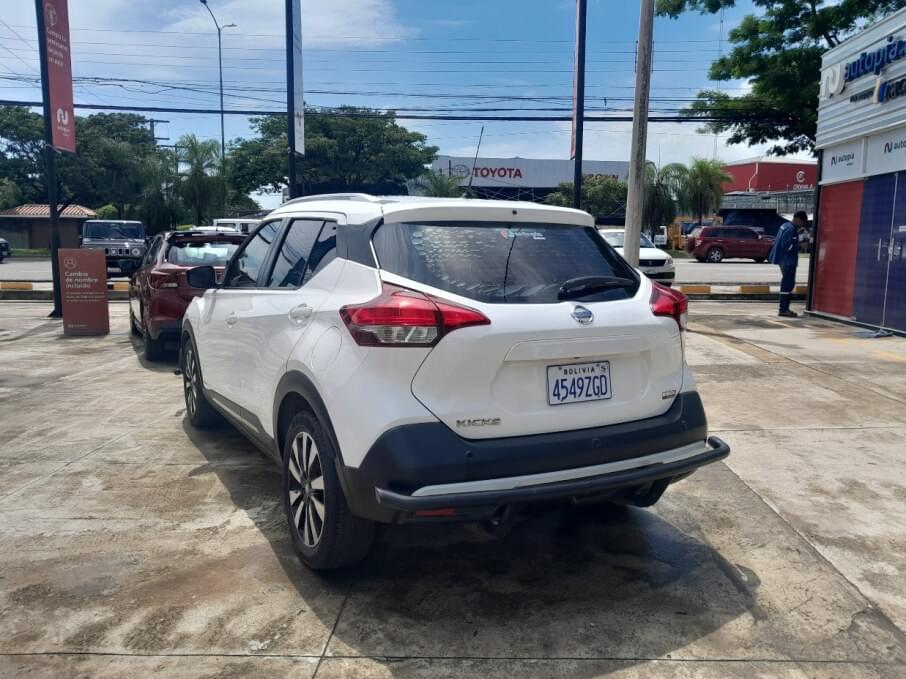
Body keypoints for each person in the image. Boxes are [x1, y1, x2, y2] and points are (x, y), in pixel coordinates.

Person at [769, 211, 806, 317]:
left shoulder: (785, 226)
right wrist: (799, 246)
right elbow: (786, 245)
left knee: (788, 283)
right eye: (802, 222)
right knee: (788, 284)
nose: (802, 225)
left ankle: (784, 308)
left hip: (783, 259)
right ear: (798, 219)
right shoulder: (791, 229)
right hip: (788, 260)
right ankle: (783, 309)